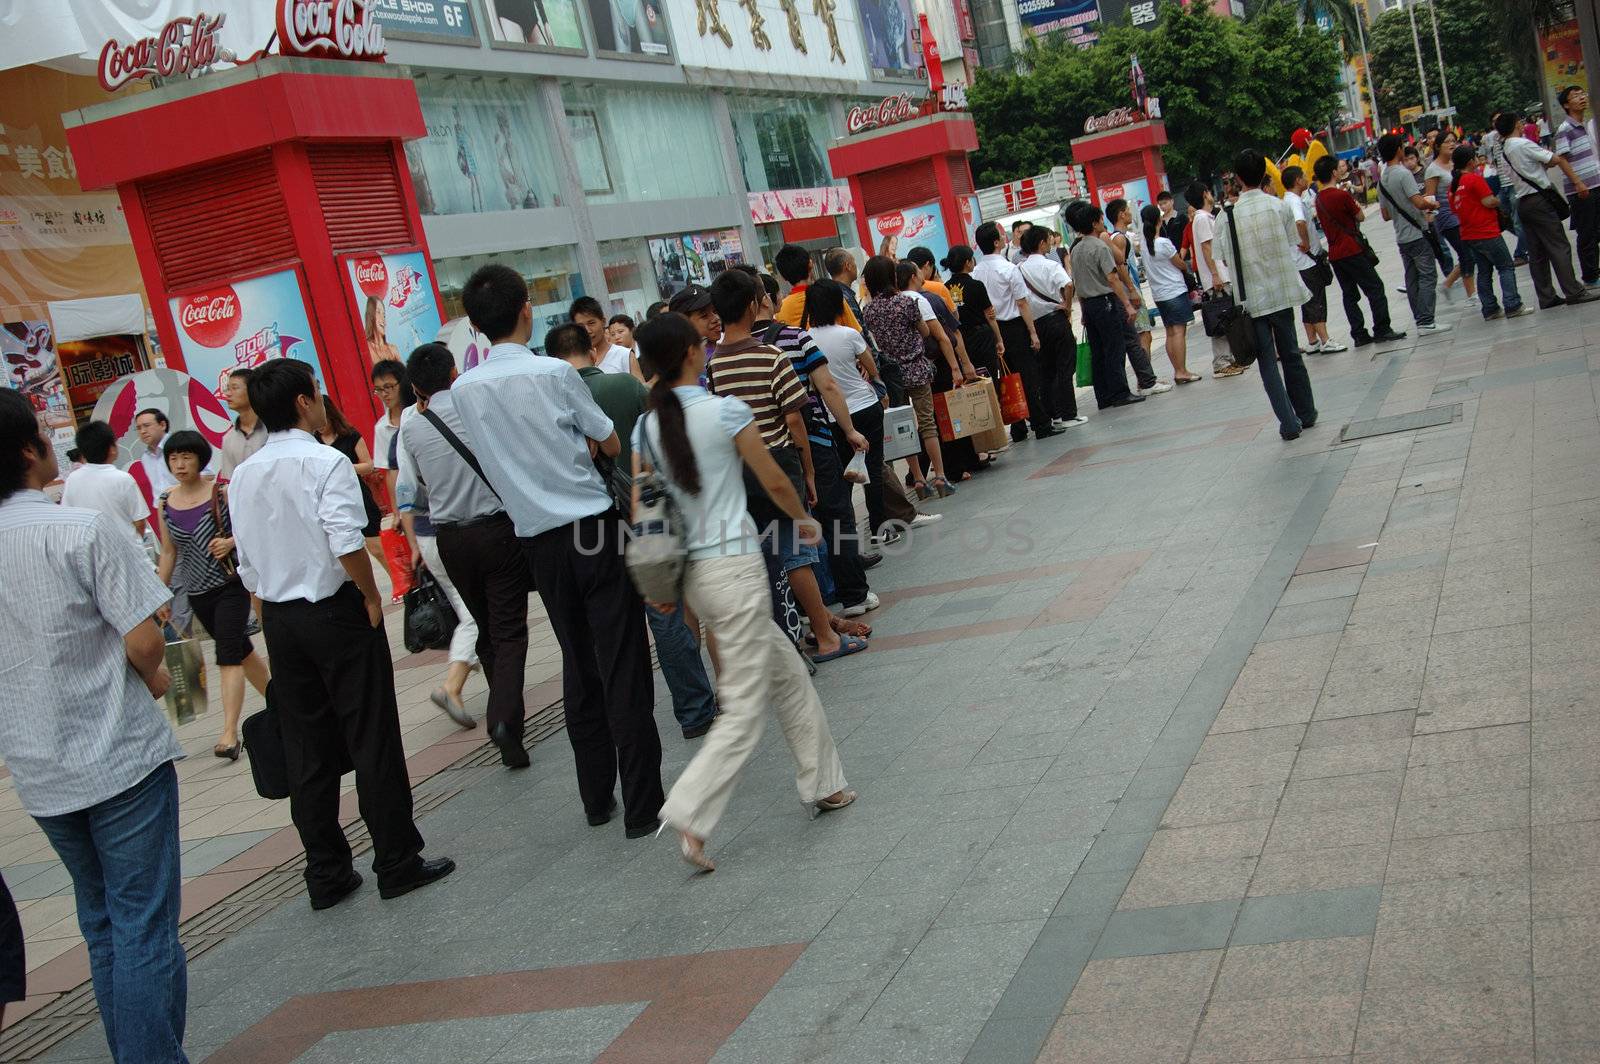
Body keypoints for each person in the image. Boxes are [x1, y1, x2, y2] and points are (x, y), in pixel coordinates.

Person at [0, 388, 189, 1062]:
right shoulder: (76, 526)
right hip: (115, 753)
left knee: (106, 927)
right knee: (143, 926)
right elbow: (144, 642)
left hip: (39, 768)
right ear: (28, 449)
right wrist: (161, 680)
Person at [632, 313, 855, 872]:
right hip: (733, 571)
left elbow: (645, 516)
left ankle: (824, 783)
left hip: (693, 578)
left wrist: (661, 587)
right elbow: (773, 479)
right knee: (745, 708)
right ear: (689, 352)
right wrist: (804, 519)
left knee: (789, 674)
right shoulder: (725, 411)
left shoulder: (645, 428)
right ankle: (690, 811)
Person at [231, 360, 455, 907]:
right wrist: (372, 595)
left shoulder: (243, 474)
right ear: (305, 402)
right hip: (333, 608)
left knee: (305, 745)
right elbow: (343, 539)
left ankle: (326, 873)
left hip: (282, 620)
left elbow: (248, 562)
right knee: (371, 733)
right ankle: (396, 860)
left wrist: (267, 602)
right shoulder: (324, 461)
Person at [454, 264, 665, 837]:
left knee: (578, 659)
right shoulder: (553, 372)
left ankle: (596, 797)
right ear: (527, 307)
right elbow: (610, 440)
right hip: (590, 526)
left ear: (475, 324)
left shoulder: (463, 390)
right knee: (621, 656)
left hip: (535, 540)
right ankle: (643, 805)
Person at [545, 323, 720, 739]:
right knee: (665, 613)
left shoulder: (551, 398)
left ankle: (627, 716)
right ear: (592, 348)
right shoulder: (625, 385)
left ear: (552, 359)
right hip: (645, 517)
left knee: (610, 629)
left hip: (584, 530)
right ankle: (694, 710)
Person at [709, 269, 869, 662]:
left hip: (738, 469)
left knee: (763, 553)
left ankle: (790, 635)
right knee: (796, 552)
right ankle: (825, 635)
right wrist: (809, 472)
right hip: (779, 461)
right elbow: (795, 421)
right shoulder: (771, 355)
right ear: (753, 305)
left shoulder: (714, 365)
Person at [398, 343, 533, 758]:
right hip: (496, 530)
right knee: (509, 631)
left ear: (416, 386)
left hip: (450, 538)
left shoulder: (411, 428)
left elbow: (413, 488)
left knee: (485, 627)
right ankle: (504, 719)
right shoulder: (478, 407)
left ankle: (510, 737)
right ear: (455, 372)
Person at [747, 271, 878, 620]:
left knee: (795, 526)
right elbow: (827, 386)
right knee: (836, 516)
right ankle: (853, 595)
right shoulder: (794, 336)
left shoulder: (730, 353)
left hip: (763, 452)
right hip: (814, 441)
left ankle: (811, 605)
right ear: (766, 300)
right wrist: (849, 430)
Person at [153, 430, 271, 760]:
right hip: (196, 592)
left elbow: (252, 528)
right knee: (243, 652)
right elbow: (167, 552)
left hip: (229, 586)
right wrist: (158, 596)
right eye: (174, 458)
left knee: (228, 653)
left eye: (186, 457)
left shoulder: (222, 493)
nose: (179, 464)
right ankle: (281, 703)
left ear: (200, 459)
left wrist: (230, 542)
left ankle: (230, 734)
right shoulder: (166, 502)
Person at [1214, 149, 1319, 441]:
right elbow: (1291, 240)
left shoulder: (1227, 216)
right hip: (1281, 290)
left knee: (1267, 362)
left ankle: (1288, 422)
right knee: (1291, 354)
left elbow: (1220, 256)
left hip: (1252, 301)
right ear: (1264, 174)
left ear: (1236, 178)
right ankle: (1307, 412)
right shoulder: (1278, 207)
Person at [861, 255, 959, 500]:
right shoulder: (905, 302)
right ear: (892, 277)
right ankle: (940, 476)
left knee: (903, 427)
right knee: (927, 423)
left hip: (891, 374)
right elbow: (925, 331)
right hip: (916, 369)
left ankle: (917, 478)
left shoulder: (868, 310)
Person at [803, 281, 890, 539]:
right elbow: (872, 368)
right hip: (865, 406)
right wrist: (877, 383)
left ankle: (847, 536)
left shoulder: (805, 339)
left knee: (841, 477)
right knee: (873, 469)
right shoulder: (849, 334)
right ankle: (879, 529)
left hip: (832, 416)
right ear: (837, 305)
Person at [1498, 110, 1600, 310]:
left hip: (1523, 201)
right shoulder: (1522, 143)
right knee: (1558, 245)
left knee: (1537, 252)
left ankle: (1546, 296)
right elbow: (1553, 159)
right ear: (1517, 125)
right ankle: (1574, 291)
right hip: (1539, 200)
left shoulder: (1505, 149)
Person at [971, 222, 1056, 441]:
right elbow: (1022, 303)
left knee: (1004, 378)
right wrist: (1032, 332)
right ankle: (1041, 423)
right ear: (997, 242)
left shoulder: (976, 272)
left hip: (992, 331)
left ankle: (1017, 427)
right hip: (1014, 328)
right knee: (1027, 376)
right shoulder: (1009, 269)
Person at [1315, 155, 1405, 347]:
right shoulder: (1342, 195)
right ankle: (1382, 328)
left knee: (1349, 295)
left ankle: (1359, 334)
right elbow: (1361, 216)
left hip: (1335, 254)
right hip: (1352, 249)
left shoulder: (1319, 198)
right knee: (1375, 288)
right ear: (1333, 172)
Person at [1067, 202, 1145, 410]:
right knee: (1114, 348)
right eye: (1101, 219)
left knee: (1098, 351)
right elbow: (1112, 278)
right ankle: (1120, 392)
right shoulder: (1100, 246)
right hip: (1105, 302)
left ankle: (1103, 396)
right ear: (1094, 223)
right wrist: (1127, 304)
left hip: (1089, 306)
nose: (1103, 223)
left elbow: (1079, 283)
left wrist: (1083, 311)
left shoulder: (1075, 249)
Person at [1377, 132, 1450, 334]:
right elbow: (1418, 202)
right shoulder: (1403, 174)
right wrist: (1431, 203)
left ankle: (1420, 319)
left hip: (1402, 237)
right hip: (1417, 233)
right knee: (1427, 275)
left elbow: (1385, 215)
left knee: (1412, 279)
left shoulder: (1382, 180)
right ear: (1398, 150)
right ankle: (1426, 321)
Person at [1450, 144, 1531, 320]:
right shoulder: (1473, 179)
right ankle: (1512, 304)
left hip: (1469, 235)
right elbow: (1488, 201)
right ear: (1471, 161)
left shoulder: (1454, 186)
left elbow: (1455, 210)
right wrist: (1496, 201)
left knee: (1484, 272)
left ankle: (1490, 309)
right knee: (1505, 267)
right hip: (1486, 231)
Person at [1017, 224, 1086, 425]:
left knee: (1045, 371)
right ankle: (1069, 414)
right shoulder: (1050, 265)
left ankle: (1053, 413)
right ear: (1041, 243)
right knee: (1065, 367)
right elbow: (1069, 284)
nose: (1050, 243)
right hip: (1056, 320)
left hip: (1036, 325)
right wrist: (1066, 305)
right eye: (1048, 239)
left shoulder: (1019, 268)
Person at [318, 395, 389, 571]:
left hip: (357, 494)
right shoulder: (313, 441)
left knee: (375, 546)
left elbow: (368, 465)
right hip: (330, 500)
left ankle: (401, 584)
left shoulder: (350, 435)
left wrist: (344, 467)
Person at [1104, 199, 1168, 394]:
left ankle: (1146, 377)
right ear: (1121, 214)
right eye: (1128, 211)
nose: (1131, 214)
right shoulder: (1119, 239)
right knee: (1143, 335)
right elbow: (1120, 266)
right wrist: (1131, 290)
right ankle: (1145, 379)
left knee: (1144, 334)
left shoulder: (1120, 237)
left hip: (1131, 290)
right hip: (1130, 291)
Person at [1281, 165, 1343, 355]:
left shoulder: (1287, 200)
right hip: (1306, 260)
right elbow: (1300, 222)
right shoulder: (1296, 202)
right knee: (1316, 299)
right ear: (1298, 181)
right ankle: (1325, 340)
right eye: (1304, 176)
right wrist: (1306, 242)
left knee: (1308, 300)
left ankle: (1312, 340)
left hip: (1298, 260)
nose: (1307, 178)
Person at [1185, 181, 1245, 378]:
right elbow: (1206, 247)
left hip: (1219, 275)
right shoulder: (1202, 218)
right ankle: (1221, 362)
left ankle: (1228, 358)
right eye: (1209, 190)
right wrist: (1215, 274)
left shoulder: (1206, 217)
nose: (1211, 193)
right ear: (1204, 193)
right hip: (1216, 278)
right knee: (1221, 319)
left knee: (1227, 317)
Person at [61, 420, 148, 545]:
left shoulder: (72, 479)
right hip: (125, 548)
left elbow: (69, 521)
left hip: (92, 552)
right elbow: (139, 521)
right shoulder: (123, 478)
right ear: (111, 448)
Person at [1140, 204, 1200, 383]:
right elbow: (1180, 263)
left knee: (1170, 332)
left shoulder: (1144, 244)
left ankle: (1178, 370)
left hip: (1159, 294)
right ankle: (1181, 371)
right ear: (1158, 220)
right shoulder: (1163, 243)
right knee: (1179, 332)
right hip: (1174, 290)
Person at [1554, 86, 1600, 285]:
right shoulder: (1565, 129)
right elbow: (1562, 159)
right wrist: (1578, 183)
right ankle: (1590, 277)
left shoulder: (1587, 125)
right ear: (1566, 105)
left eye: (1583, 94)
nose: (1582, 98)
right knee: (1587, 233)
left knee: (1596, 230)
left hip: (1596, 184)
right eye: (1576, 96)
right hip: (1582, 190)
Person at [1424, 131, 1475, 301]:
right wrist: (1430, 222)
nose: (1452, 144)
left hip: (1463, 212)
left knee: (1468, 253)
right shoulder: (1433, 169)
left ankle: (1447, 284)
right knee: (1466, 253)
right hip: (1447, 216)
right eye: (1447, 142)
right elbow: (1430, 198)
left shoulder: (1456, 164)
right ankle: (1471, 295)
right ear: (1438, 146)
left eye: (1454, 141)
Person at [774, 244, 861, 330]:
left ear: (783, 277)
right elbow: (857, 333)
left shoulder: (780, 311)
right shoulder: (832, 295)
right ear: (810, 264)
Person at [369, 358, 413, 521]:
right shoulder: (382, 428)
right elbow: (390, 472)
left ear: (403, 383)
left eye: (388, 387)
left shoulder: (420, 413)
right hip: (411, 501)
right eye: (378, 390)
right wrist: (396, 511)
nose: (384, 394)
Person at [216, 367, 267, 484]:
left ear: (252, 390)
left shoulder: (273, 428)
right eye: (227, 389)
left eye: (235, 388)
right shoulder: (228, 438)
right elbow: (232, 481)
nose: (228, 394)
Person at [571, 295, 642, 378]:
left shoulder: (624, 355)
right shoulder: (574, 362)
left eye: (591, 323)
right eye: (581, 326)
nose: (587, 331)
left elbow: (640, 389)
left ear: (603, 322)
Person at [133, 407, 178, 501]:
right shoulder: (145, 457)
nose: (142, 431)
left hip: (189, 505)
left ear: (162, 425)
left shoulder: (180, 445)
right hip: (163, 509)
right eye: (138, 428)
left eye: (146, 425)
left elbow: (206, 475)